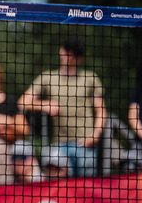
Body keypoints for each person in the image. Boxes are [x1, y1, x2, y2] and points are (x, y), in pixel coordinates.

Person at [18, 38, 105, 177]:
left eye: (74, 53)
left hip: (85, 144)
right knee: (60, 192)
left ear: (80, 58)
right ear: (61, 50)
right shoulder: (48, 77)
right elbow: (22, 102)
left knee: (87, 192)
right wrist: (44, 104)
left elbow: (100, 109)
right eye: (67, 50)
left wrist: (96, 135)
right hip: (59, 146)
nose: (69, 56)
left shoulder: (90, 78)